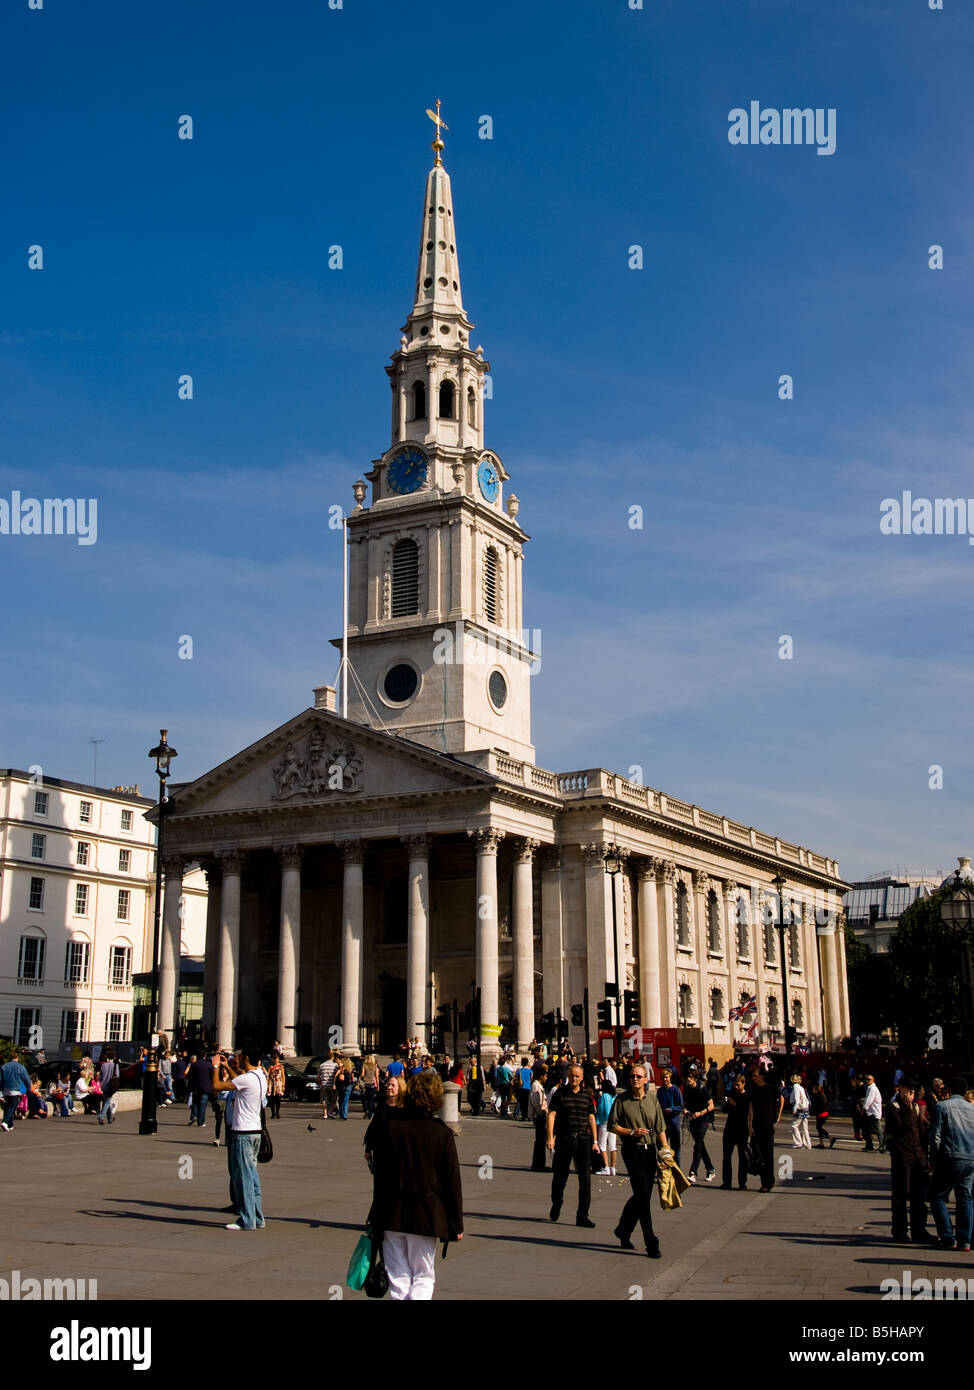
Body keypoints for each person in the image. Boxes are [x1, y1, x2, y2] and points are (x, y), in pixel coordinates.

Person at [364, 1071, 463, 1300]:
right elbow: (452, 1183)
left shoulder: (391, 1128)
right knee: (423, 1276)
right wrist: (456, 1223)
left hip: (391, 1212)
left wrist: (375, 1212)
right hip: (426, 1215)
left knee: (398, 1277)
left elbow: (380, 1176)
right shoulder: (441, 1134)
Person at [609, 1062, 668, 1257]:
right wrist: (630, 1132)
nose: (635, 1079)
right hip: (632, 1151)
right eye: (633, 1076)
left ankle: (623, 1230)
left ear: (646, 1080)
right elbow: (612, 1125)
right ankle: (651, 1242)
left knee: (642, 1195)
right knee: (642, 1194)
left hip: (650, 1151)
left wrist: (665, 1150)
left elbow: (660, 1127)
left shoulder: (652, 1100)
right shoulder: (622, 1100)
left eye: (639, 1076)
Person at [212, 1047, 268, 1231]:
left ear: (246, 1058)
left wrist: (215, 1068)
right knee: (252, 1176)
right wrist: (227, 1067)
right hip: (255, 1131)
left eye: (241, 1057)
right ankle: (258, 1217)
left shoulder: (246, 1079)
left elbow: (217, 1086)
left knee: (243, 1176)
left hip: (242, 1133)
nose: (239, 1059)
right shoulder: (260, 1076)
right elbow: (239, 1079)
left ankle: (247, 1219)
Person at [546, 1063, 599, 1227]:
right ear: (567, 1076)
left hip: (583, 1138)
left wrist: (595, 1141)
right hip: (564, 1139)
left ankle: (582, 1215)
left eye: (577, 1076)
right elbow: (551, 1115)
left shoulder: (587, 1095)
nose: (574, 1079)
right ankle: (557, 1203)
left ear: (582, 1078)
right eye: (572, 1076)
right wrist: (550, 1137)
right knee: (560, 1177)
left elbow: (591, 1118)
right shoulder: (560, 1093)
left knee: (585, 1179)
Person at [885, 1077, 934, 1245]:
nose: (912, 1094)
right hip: (902, 1157)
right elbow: (899, 1128)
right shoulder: (894, 1107)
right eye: (909, 1090)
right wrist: (906, 1106)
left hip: (918, 1157)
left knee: (919, 1197)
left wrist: (925, 1157)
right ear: (901, 1089)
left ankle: (919, 1230)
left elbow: (920, 1132)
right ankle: (899, 1231)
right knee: (900, 1195)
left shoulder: (915, 1107)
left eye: (914, 1091)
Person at [928, 1074, 974, 1252]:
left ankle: (948, 1237)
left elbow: (936, 1136)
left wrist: (934, 1158)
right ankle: (965, 1240)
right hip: (970, 1158)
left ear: (950, 1089)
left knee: (937, 1196)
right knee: (965, 1198)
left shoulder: (942, 1107)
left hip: (951, 1156)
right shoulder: (971, 1109)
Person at [748, 1068, 783, 1192]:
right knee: (758, 1155)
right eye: (752, 1076)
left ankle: (769, 1182)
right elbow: (751, 1109)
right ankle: (764, 1182)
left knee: (768, 1155)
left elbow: (781, 1099)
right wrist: (750, 1125)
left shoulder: (771, 1088)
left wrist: (778, 1115)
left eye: (755, 1075)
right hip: (756, 1125)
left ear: (762, 1076)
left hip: (768, 1125)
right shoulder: (753, 1090)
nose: (753, 1077)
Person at [684, 1071, 716, 1182]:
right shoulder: (687, 1089)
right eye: (688, 1076)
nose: (688, 1079)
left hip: (703, 1119)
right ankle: (710, 1169)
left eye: (691, 1077)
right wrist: (686, 1111)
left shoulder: (703, 1089)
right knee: (700, 1145)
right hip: (693, 1119)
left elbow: (711, 1105)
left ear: (696, 1079)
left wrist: (701, 1113)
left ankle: (693, 1172)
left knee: (697, 1145)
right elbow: (685, 1104)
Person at [721, 1074, 750, 1189]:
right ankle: (726, 1182)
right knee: (727, 1157)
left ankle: (742, 1183)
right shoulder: (732, 1094)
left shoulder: (747, 1097)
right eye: (734, 1085)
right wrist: (725, 1103)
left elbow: (746, 1112)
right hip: (729, 1129)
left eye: (738, 1085)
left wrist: (735, 1104)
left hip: (742, 1129)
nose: (736, 1087)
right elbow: (725, 1110)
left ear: (743, 1084)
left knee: (742, 1157)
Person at [656, 1067, 684, 1169]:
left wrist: (672, 1109)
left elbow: (680, 1106)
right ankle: (663, 1167)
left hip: (674, 1122)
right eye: (663, 1078)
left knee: (675, 1147)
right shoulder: (660, 1091)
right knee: (661, 1146)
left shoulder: (675, 1090)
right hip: (663, 1123)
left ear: (670, 1078)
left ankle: (676, 1169)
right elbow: (657, 1105)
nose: (665, 1079)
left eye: (667, 1077)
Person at [528, 1067, 549, 1171]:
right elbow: (536, 1102)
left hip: (539, 1115)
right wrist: (542, 1111)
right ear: (541, 1076)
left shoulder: (538, 1085)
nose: (546, 1078)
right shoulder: (536, 1086)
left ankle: (539, 1163)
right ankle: (538, 1164)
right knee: (540, 1141)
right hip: (539, 1116)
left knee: (541, 1141)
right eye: (545, 1076)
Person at [595, 1083, 618, 1176]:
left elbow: (604, 1109)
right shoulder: (614, 1096)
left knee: (602, 1145)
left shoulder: (604, 1096)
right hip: (613, 1123)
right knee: (613, 1146)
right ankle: (613, 1167)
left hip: (604, 1121)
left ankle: (606, 1167)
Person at [187, 1051, 213, 1129]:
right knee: (202, 1105)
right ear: (204, 1056)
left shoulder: (194, 1065)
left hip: (195, 1087)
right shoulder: (208, 1065)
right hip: (205, 1088)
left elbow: (190, 1076)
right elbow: (212, 1076)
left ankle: (194, 1115)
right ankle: (201, 1122)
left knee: (195, 1102)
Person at [862, 1074, 885, 1153]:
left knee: (878, 1131)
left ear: (873, 1080)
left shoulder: (873, 1089)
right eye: (866, 1079)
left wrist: (864, 1109)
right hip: (871, 1112)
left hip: (874, 1113)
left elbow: (869, 1100)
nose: (867, 1081)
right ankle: (869, 1146)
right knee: (866, 1130)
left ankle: (882, 1147)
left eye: (869, 1079)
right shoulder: (869, 1088)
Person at [97, 1049, 120, 1126]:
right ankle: (101, 1117)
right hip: (111, 1085)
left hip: (103, 1085)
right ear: (114, 1057)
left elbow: (101, 1076)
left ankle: (110, 1118)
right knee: (107, 1102)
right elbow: (117, 1075)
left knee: (106, 1101)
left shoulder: (103, 1065)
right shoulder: (115, 1066)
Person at [790, 1073, 811, 1149]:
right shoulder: (801, 1087)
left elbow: (796, 1099)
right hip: (805, 1108)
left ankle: (798, 1142)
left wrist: (794, 1108)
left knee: (794, 1125)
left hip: (800, 1109)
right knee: (805, 1127)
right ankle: (807, 1144)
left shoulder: (795, 1087)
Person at [810, 1082, 834, 1149]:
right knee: (819, 1128)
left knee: (819, 1127)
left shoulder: (818, 1096)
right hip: (822, 1113)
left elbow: (817, 1106)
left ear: (815, 1089)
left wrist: (812, 1112)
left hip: (822, 1114)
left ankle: (826, 1140)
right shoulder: (821, 1095)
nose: (812, 1090)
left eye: (813, 1089)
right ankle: (824, 1142)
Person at [317, 1053, 340, 1119]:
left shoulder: (322, 1065)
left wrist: (320, 1082)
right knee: (333, 1099)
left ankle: (325, 1114)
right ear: (332, 1057)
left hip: (324, 1084)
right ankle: (330, 1112)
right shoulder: (335, 1065)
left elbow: (318, 1077)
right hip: (332, 1084)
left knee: (324, 1099)